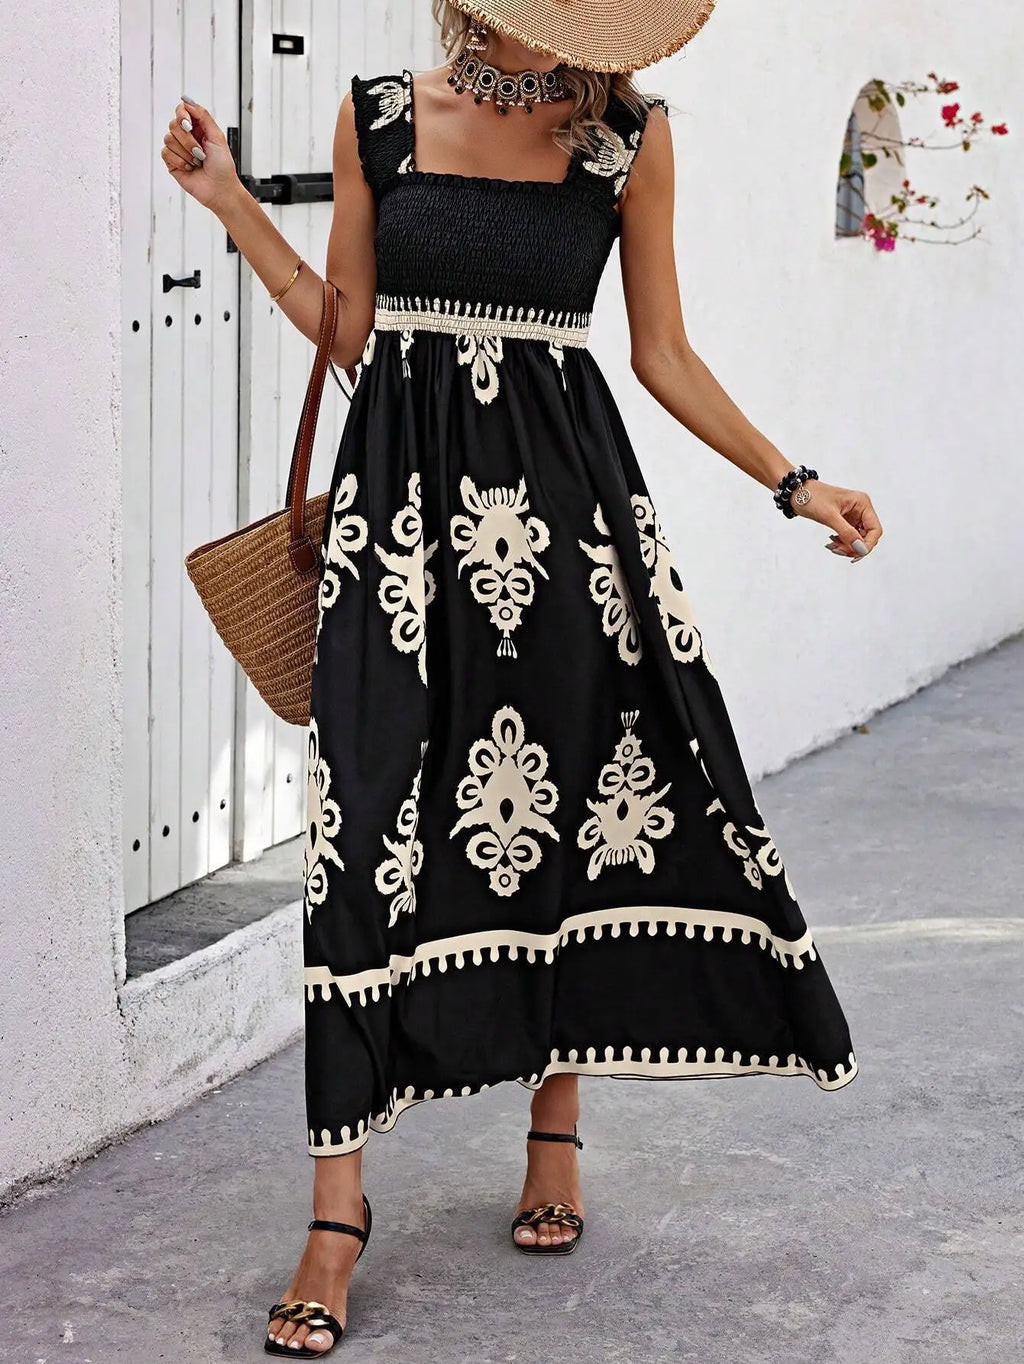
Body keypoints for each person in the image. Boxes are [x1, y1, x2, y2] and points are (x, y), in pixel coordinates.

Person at [161, 0, 881, 1354]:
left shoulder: (630, 138)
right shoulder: (381, 114)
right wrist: (228, 201)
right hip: (400, 541)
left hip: (571, 530)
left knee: (565, 812)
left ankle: (557, 1124)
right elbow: (350, 326)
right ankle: (336, 1212)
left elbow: (660, 353)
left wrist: (792, 481)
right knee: (360, 835)